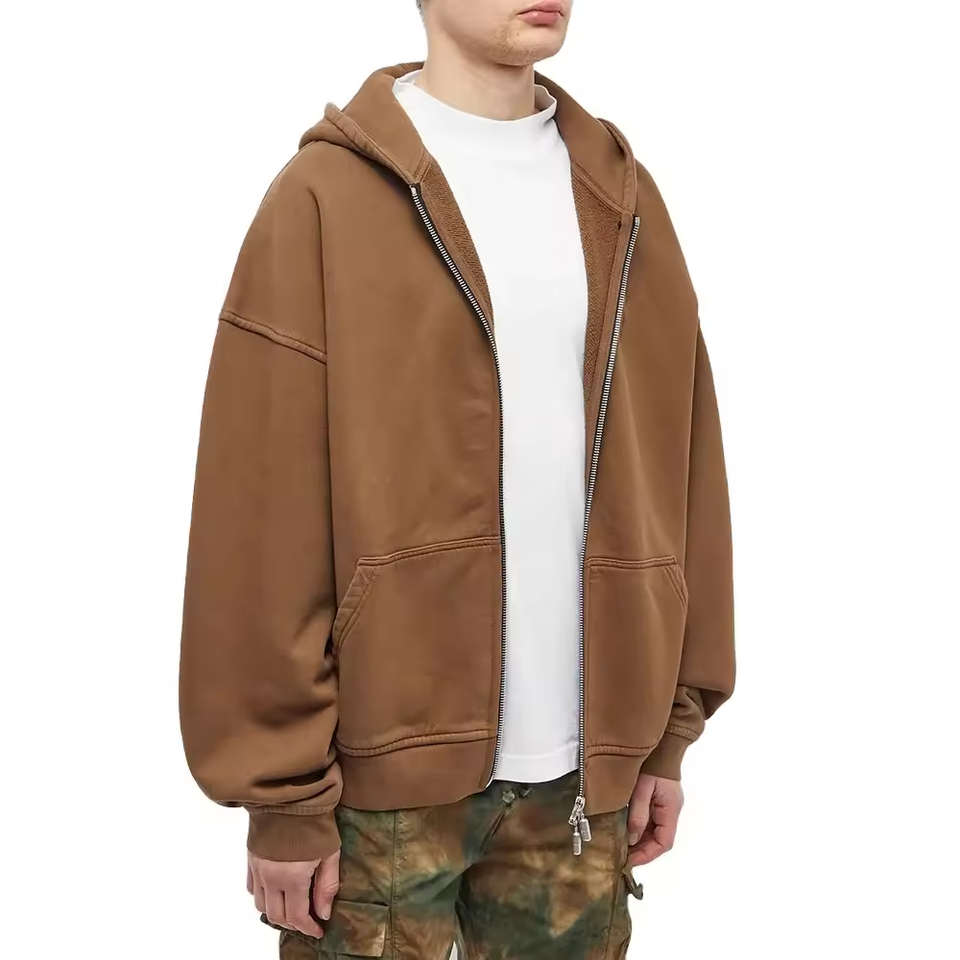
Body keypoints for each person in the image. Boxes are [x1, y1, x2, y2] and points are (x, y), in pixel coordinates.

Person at [178, 1, 735, 956]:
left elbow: (685, 468)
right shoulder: (324, 199)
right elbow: (258, 509)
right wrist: (281, 795)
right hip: (378, 792)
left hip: (584, 785)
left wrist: (668, 731)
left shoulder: (620, 196)